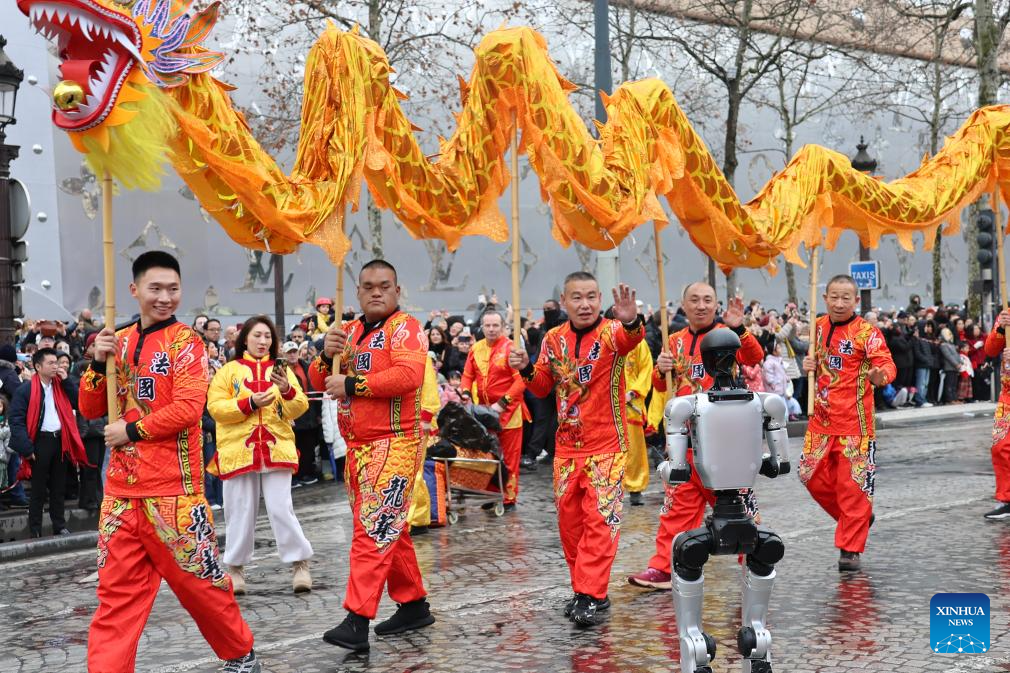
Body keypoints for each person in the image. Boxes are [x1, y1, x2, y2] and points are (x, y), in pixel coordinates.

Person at [79, 251, 259, 673]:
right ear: (134, 290)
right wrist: (95, 361)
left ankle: (240, 653)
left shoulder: (187, 343)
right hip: (121, 495)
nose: (164, 297)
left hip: (175, 493)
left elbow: (190, 408)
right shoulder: (117, 341)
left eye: (173, 289)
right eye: (155, 288)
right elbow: (90, 408)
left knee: (201, 586)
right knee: (116, 596)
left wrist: (132, 431)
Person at [310, 259, 434, 652]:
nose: (376, 292)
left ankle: (357, 619)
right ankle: (413, 604)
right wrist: (323, 355)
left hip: (396, 442)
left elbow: (407, 377)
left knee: (371, 530)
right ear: (358, 292)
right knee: (387, 529)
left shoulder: (407, 328)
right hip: (360, 447)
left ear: (398, 291)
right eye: (368, 286)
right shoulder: (348, 332)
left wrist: (350, 382)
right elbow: (320, 381)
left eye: (384, 286)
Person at [508, 273, 644, 627]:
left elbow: (631, 337)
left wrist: (631, 319)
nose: (585, 304)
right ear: (564, 302)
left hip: (607, 445)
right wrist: (524, 368)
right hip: (566, 448)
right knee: (571, 525)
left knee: (601, 521)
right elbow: (541, 387)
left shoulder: (612, 333)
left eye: (591, 297)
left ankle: (591, 593)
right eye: (577, 298)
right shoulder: (553, 339)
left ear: (600, 299)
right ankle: (585, 588)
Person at [628, 282, 763, 590]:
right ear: (683, 305)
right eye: (694, 300)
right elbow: (660, 388)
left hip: (724, 441)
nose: (701, 306)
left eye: (707, 300)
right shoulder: (672, 341)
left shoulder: (727, 336)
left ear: (715, 305)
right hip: (683, 440)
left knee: (739, 506)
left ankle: (755, 559)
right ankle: (665, 567)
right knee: (675, 508)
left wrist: (739, 327)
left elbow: (754, 357)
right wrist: (660, 371)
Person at [208, 316, 314, 595]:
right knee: (239, 511)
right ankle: (235, 568)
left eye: (267, 336)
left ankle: (300, 563)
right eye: (257, 335)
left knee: (281, 508)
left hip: (276, 446)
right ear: (245, 339)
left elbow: (300, 406)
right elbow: (215, 408)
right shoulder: (227, 371)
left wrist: (287, 390)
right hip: (237, 450)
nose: (262, 341)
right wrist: (249, 402)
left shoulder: (282, 371)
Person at [801, 274, 895, 572]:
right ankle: (857, 518)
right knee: (809, 475)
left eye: (846, 298)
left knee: (852, 487)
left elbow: (886, 363)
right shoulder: (816, 327)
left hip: (856, 424)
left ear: (856, 301)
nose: (839, 303)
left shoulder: (867, 332)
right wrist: (808, 366)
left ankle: (850, 549)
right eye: (834, 297)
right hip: (820, 420)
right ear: (825, 297)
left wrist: (881, 376)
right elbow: (815, 364)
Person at [10, 347, 88, 537]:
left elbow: (80, 402)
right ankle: (35, 529)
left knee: (58, 487)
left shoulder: (61, 385)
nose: (56, 366)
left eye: (57, 362)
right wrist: (27, 448)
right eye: (51, 363)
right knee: (38, 490)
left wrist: (67, 380)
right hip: (39, 442)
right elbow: (16, 420)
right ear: (38, 366)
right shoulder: (26, 390)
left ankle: (59, 525)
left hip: (60, 440)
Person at [460, 309, 527, 509]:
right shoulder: (476, 348)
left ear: (503, 327)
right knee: (488, 454)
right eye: (487, 325)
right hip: (484, 413)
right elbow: (467, 375)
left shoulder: (511, 349)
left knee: (509, 456)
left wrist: (503, 403)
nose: (491, 329)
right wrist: (465, 393)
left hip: (510, 412)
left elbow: (521, 381)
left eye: (495, 325)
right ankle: (490, 494)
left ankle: (508, 497)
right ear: (482, 327)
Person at [621, 327, 653, 506]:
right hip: (606, 404)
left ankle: (635, 488)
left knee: (634, 448)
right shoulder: (604, 342)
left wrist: (633, 393)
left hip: (631, 403)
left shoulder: (639, 344)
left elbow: (646, 370)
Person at [983, 309, 1010, 518]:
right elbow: (991, 350)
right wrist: (1001, 327)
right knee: (1001, 446)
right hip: (1008, 394)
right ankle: (1007, 499)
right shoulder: (1006, 315)